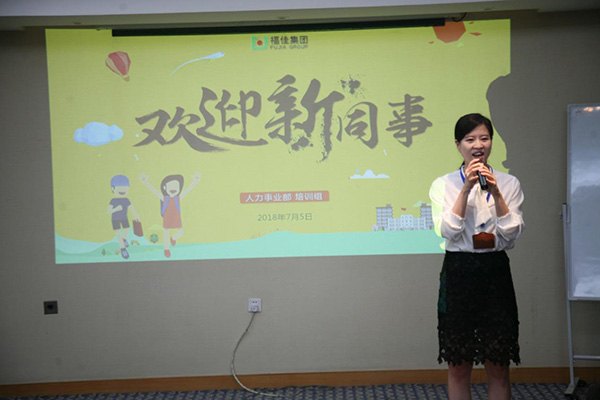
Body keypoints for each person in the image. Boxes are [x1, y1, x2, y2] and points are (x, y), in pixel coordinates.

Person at [429, 113, 525, 400]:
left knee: (498, 363)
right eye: (470, 139)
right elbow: (448, 231)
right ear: (458, 145)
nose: (478, 145)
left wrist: (496, 193)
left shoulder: (509, 183)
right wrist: (466, 189)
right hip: (459, 273)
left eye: (484, 138)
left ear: (491, 142)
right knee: (459, 364)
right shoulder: (443, 185)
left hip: (495, 273)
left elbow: (512, 234)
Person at [140, 172, 201, 258]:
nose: (173, 188)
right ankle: (166, 249)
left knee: (181, 233)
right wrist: (145, 182)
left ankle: (173, 238)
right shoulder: (165, 198)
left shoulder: (178, 198)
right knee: (166, 234)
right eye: (170, 186)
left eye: (175, 186)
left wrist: (195, 182)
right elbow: (154, 191)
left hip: (176, 218)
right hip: (167, 218)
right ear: (165, 188)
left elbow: (187, 191)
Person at [107, 175, 140, 260]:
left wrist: (136, 215)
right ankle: (123, 249)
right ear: (113, 189)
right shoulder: (113, 201)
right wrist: (116, 209)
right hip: (115, 220)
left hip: (124, 218)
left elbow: (132, 208)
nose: (123, 190)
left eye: (125, 188)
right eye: (120, 188)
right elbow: (108, 212)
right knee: (118, 234)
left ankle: (124, 239)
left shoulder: (126, 200)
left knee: (127, 229)